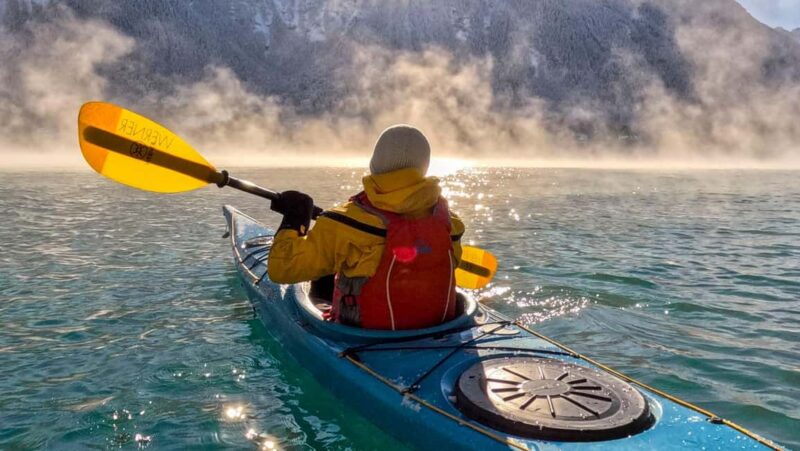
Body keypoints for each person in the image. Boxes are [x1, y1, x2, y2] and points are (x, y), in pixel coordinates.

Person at [267, 125, 465, 330]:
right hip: (437, 328)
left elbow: (282, 270)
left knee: (322, 280)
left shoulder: (343, 222)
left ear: (376, 163)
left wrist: (294, 220)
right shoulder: (450, 224)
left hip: (364, 335)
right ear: (424, 166)